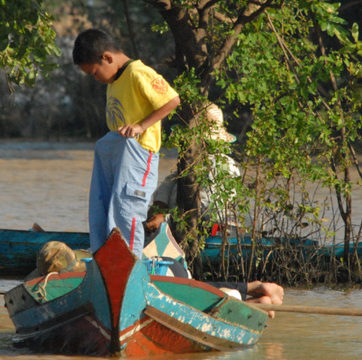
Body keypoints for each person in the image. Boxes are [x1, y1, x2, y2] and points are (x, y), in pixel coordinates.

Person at [72, 28, 180, 257]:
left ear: (107, 58)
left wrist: (141, 126)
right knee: (102, 210)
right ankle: (105, 262)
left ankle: (128, 267)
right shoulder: (113, 81)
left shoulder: (138, 73)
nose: (96, 79)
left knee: (127, 211)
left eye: (94, 72)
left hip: (138, 153)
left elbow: (172, 100)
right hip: (115, 151)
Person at [145, 102, 242, 236]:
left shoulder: (223, 166)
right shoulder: (185, 168)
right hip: (179, 227)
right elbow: (166, 190)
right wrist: (159, 210)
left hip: (210, 233)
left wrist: (166, 220)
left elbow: (206, 211)